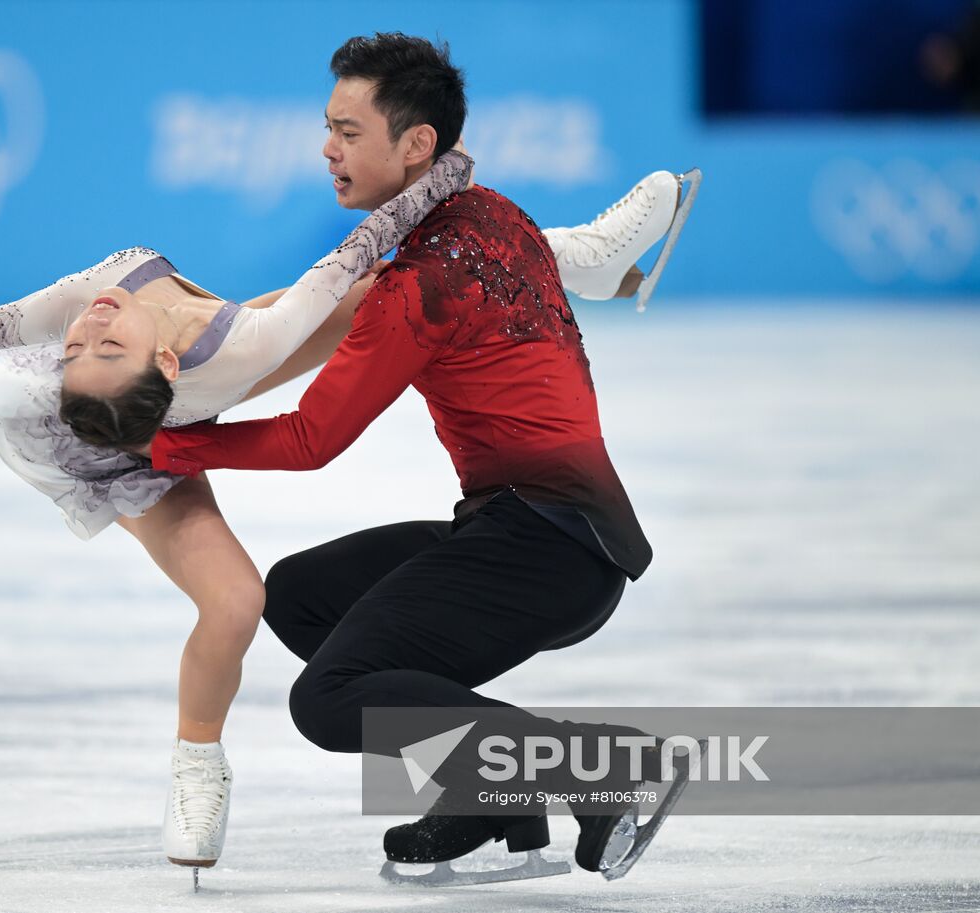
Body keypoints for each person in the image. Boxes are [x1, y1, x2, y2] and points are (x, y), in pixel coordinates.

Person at [0, 98, 681, 879]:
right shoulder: (137, 351)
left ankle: (558, 771)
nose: (89, 325)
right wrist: (440, 172)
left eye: (93, 342)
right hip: (74, 442)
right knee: (343, 346)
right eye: (94, 343)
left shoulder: (137, 303)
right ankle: (491, 778)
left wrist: (437, 176)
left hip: (514, 525)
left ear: (168, 359)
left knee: (283, 591)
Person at [144, 33, 669, 879]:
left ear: (417, 146)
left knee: (326, 700)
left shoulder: (424, 282)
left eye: (348, 132)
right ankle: (489, 789)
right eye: (329, 127)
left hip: (546, 548)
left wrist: (167, 443)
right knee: (303, 599)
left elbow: (311, 439)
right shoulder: (494, 214)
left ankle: (597, 769)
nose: (327, 148)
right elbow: (306, 316)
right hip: (541, 534)